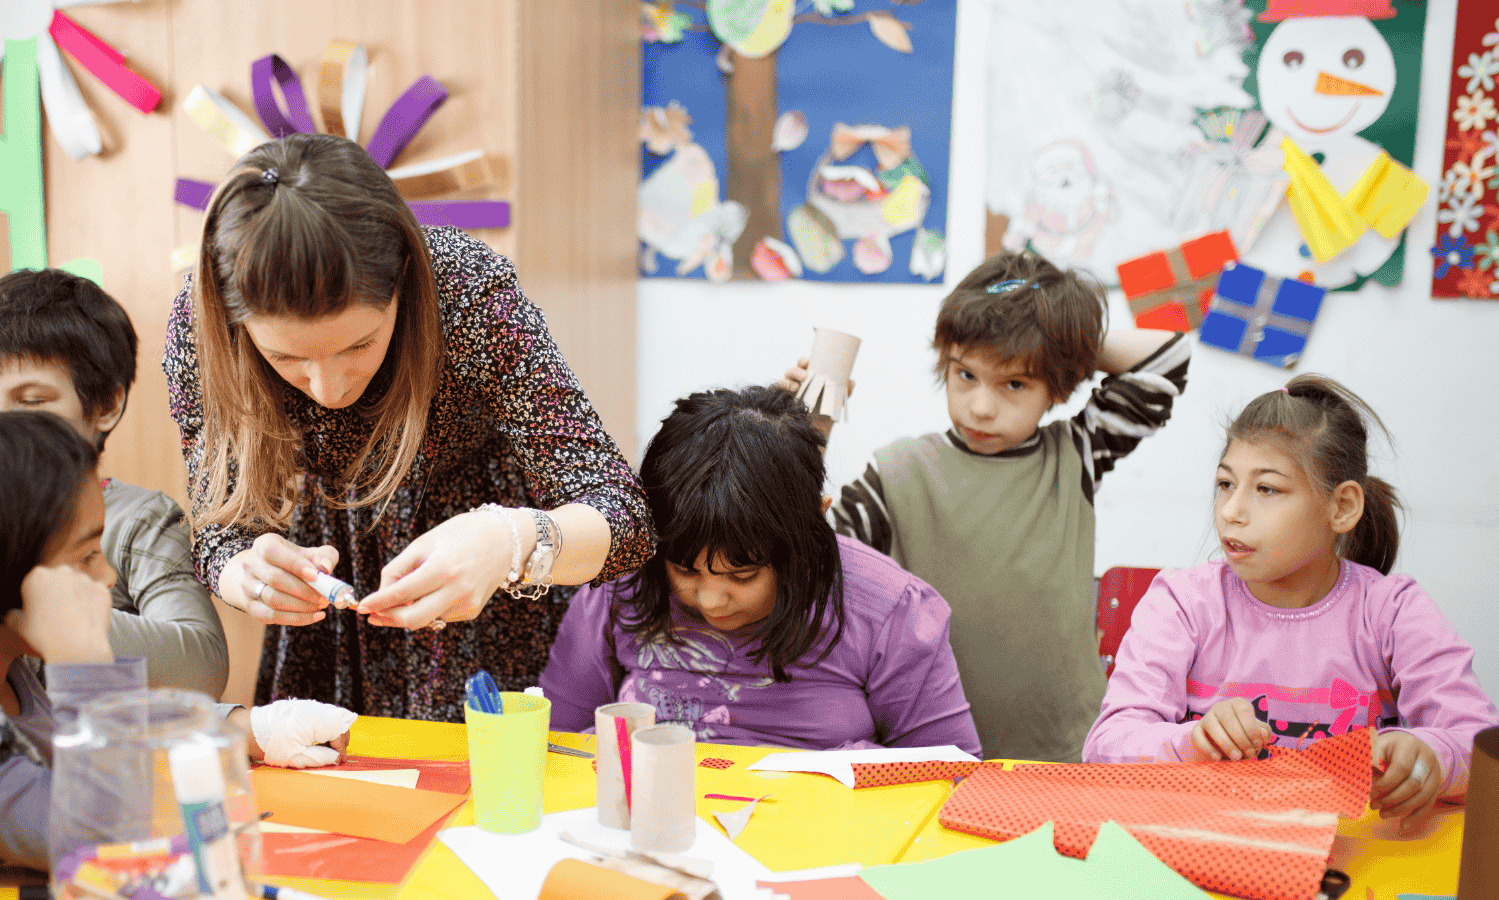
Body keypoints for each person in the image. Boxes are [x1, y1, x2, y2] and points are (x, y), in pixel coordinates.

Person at [165, 132, 653, 721]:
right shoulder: (202, 331)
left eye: (360, 344)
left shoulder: (467, 291)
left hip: (492, 576)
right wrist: (241, 569)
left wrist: (508, 543)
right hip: (335, 601)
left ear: (404, 282)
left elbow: (625, 517)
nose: (329, 388)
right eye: (287, 359)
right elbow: (218, 531)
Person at [0, 411, 353, 893]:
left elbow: (130, 722)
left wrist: (254, 728)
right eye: (86, 557)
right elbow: (103, 839)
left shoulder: (12, 665)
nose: (109, 577)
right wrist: (84, 663)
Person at [785, 252, 1191, 763]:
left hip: (1065, 749)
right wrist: (803, 433)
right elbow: (803, 554)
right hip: (929, 748)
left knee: (1080, 846)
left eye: (1014, 383)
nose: (980, 405)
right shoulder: (898, 473)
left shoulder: (1076, 453)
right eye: (965, 375)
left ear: (1056, 388)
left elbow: (1169, 360)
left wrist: (1055, 329)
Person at [1084, 375, 1498, 831]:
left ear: (1340, 507)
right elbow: (1106, 747)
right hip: (1212, 851)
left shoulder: (1394, 611)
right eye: (1225, 484)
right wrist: (1193, 742)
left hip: (1353, 859)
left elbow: (1479, 747)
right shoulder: (1182, 603)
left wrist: (1430, 759)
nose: (1230, 511)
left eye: (1267, 489)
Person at [540, 386, 981, 753]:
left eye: (743, 576)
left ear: (813, 528)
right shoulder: (623, 580)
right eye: (684, 570)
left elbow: (948, 774)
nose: (711, 600)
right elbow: (557, 746)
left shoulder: (892, 609)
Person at [0, 269, 228, 698]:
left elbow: (203, 664)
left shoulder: (139, 519)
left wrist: (32, 607)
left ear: (105, 405)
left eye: (30, 402)